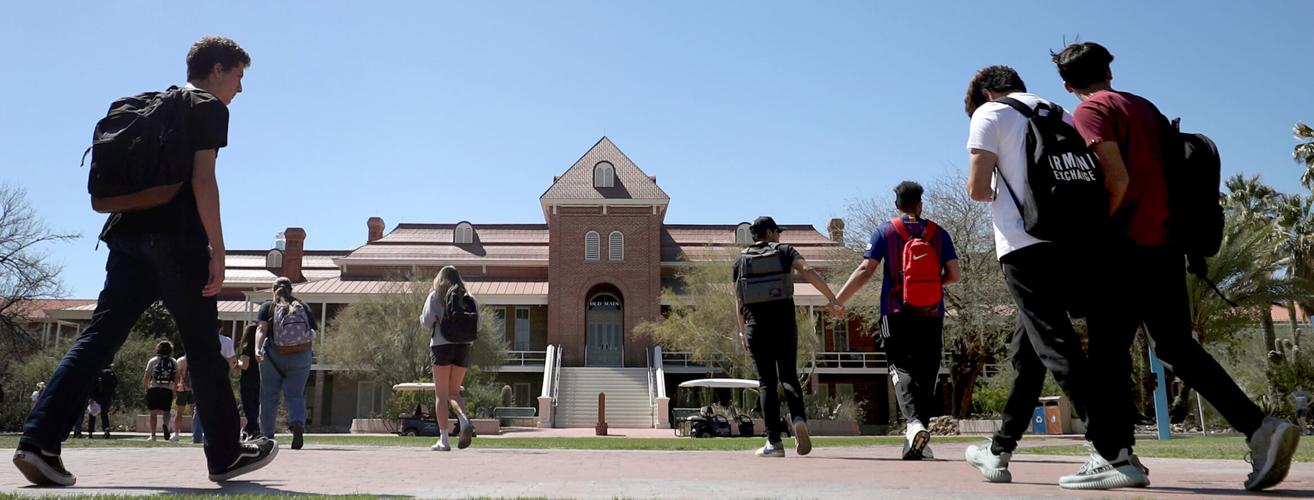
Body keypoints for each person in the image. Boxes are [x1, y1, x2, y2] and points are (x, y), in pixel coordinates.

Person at [12, 36, 275, 487]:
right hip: (179, 240)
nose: (240, 88)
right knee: (205, 349)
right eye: (237, 76)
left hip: (127, 235)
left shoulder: (153, 106)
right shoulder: (207, 107)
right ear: (215, 70)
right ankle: (227, 454)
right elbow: (203, 180)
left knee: (98, 339)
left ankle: (37, 441)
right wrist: (218, 248)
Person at [1053, 41, 1300, 491]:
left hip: (1124, 251)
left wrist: (1095, 235)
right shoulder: (1143, 106)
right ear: (1110, 69)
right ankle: (1259, 428)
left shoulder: (1091, 112)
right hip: (1165, 248)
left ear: (1068, 84)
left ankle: (1115, 456)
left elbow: (1117, 178)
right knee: (1176, 348)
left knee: (1107, 358)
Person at [959, 65, 1132, 488]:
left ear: (985, 92)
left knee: (1056, 344)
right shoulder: (1060, 113)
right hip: (1074, 243)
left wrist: (995, 186)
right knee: (1028, 352)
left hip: (1024, 244)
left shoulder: (990, 113)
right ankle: (999, 450)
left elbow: (978, 187)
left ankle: (1115, 453)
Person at [834, 182, 960, 460]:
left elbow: (866, 270)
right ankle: (917, 442)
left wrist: (838, 300)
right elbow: (953, 275)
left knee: (900, 368)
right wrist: (930, 287)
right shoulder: (939, 234)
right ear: (921, 203)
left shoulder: (886, 231)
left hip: (895, 312)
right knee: (927, 373)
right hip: (931, 313)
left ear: (897, 205)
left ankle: (914, 425)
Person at [732, 216, 842, 458]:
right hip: (783, 324)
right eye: (777, 232)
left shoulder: (740, 259)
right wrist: (832, 298)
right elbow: (808, 270)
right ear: (770, 232)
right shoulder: (784, 251)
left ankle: (774, 442)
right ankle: (799, 418)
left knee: (766, 383)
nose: (779, 236)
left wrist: (742, 331)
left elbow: (739, 301)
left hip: (755, 326)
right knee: (789, 375)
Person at [256, 277, 318, 450]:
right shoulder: (302, 306)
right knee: (295, 395)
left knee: (269, 397)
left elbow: (261, 329)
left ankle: (267, 436)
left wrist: (256, 349)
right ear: (291, 290)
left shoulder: (268, 306)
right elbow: (313, 330)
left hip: (273, 357)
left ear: (273, 289)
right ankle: (297, 423)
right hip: (301, 355)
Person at [420, 266, 477, 451]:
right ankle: (463, 420)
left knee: (441, 394)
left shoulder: (435, 296)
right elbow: (479, 325)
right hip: (463, 347)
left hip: (441, 346)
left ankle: (444, 440)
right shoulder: (469, 298)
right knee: (454, 392)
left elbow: (427, 322)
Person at [185, 326, 237, 445]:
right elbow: (230, 361)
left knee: (200, 408)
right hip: (220, 376)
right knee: (220, 407)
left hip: (203, 376)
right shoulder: (226, 341)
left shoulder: (200, 339)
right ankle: (216, 436)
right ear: (221, 327)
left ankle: (197, 436)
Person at [143, 341, 178, 442]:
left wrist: (146, 387)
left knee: (153, 412)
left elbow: (147, 376)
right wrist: (174, 389)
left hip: (154, 388)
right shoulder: (173, 362)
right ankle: (165, 425)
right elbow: (176, 377)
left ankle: (153, 435)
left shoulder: (153, 360)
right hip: (167, 389)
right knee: (166, 411)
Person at [235, 323, 262, 441]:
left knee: (248, 403)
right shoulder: (259, 349)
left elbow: (245, 365)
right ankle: (251, 428)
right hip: (259, 378)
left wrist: (237, 364)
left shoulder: (247, 347)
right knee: (256, 404)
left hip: (247, 379)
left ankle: (252, 427)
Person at [89, 368, 117, 439]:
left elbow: (92, 384)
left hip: (97, 396)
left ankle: (90, 432)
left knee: (92, 413)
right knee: (104, 414)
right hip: (108, 396)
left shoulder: (97, 371)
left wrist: (91, 396)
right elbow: (116, 383)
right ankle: (106, 429)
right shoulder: (110, 372)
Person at [172, 354, 193, 443]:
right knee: (195, 413)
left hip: (181, 389)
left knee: (179, 413)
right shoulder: (198, 359)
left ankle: (176, 434)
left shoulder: (180, 360)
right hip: (193, 390)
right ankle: (197, 433)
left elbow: (177, 376)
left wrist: (175, 387)